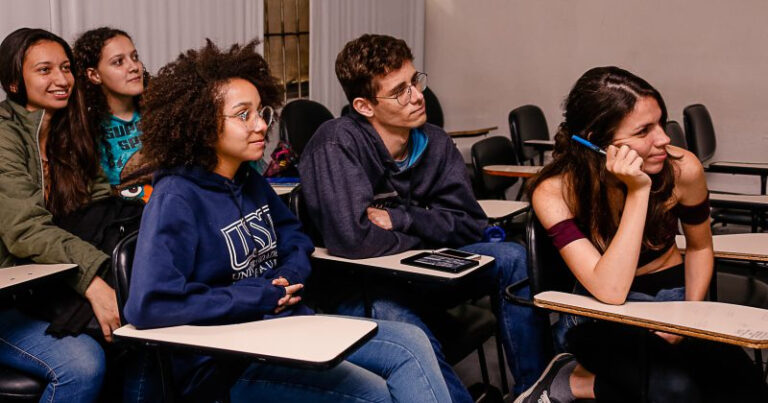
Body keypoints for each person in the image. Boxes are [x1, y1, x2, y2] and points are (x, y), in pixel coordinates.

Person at [123, 38, 451, 403]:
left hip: (286, 328)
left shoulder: (248, 179)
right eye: (243, 115)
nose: (262, 126)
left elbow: (294, 237)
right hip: (227, 363)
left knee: (409, 343)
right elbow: (150, 305)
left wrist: (290, 274)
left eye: (261, 112)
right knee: (372, 393)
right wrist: (260, 294)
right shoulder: (176, 197)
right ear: (201, 124)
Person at [299, 33, 548, 401]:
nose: (417, 95)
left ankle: (536, 389)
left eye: (416, 81)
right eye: (400, 90)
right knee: (394, 312)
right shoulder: (337, 142)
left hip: (425, 271)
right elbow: (355, 241)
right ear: (365, 106)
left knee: (512, 256)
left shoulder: (434, 141)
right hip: (364, 285)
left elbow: (471, 224)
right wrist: (433, 228)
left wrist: (402, 220)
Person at [516, 66, 768, 403]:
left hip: (674, 299)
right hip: (599, 311)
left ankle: (581, 383)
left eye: (661, 123)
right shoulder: (554, 192)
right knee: (675, 390)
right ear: (595, 142)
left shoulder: (683, 169)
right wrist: (638, 192)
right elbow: (611, 289)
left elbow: (698, 248)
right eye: (644, 130)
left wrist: (690, 318)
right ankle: (571, 377)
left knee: (747, 387)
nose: (663, 139)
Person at [0, 27, 117, 402]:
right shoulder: (3, 135)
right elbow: (25, 230)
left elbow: (101, 209)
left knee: (143, 335)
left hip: (46, 290)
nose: (61, 79)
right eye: (45, 70)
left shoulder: (71, 130)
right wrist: (93, 282)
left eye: (65, 68)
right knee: (81, 365)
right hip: (7, 299)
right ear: (14, 82)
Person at [74, 27, 152, 202]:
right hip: (124, 217)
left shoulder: (161, 113)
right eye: (118, 62)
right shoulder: (85, 126)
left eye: (135, 57)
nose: (134, 67)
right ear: (94, 75)